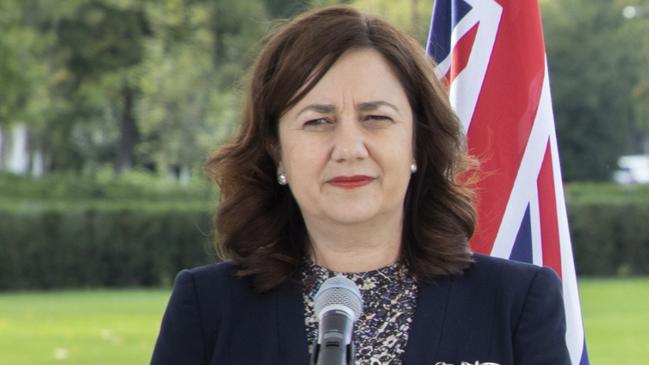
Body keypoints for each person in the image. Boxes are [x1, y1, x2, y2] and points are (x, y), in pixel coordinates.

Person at [150, 5, 570, 365]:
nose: (349, 148)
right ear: (276, 150)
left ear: (418, 143)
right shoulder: (208, 308)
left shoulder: (517, 302)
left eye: (376, 118)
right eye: (318, 121)